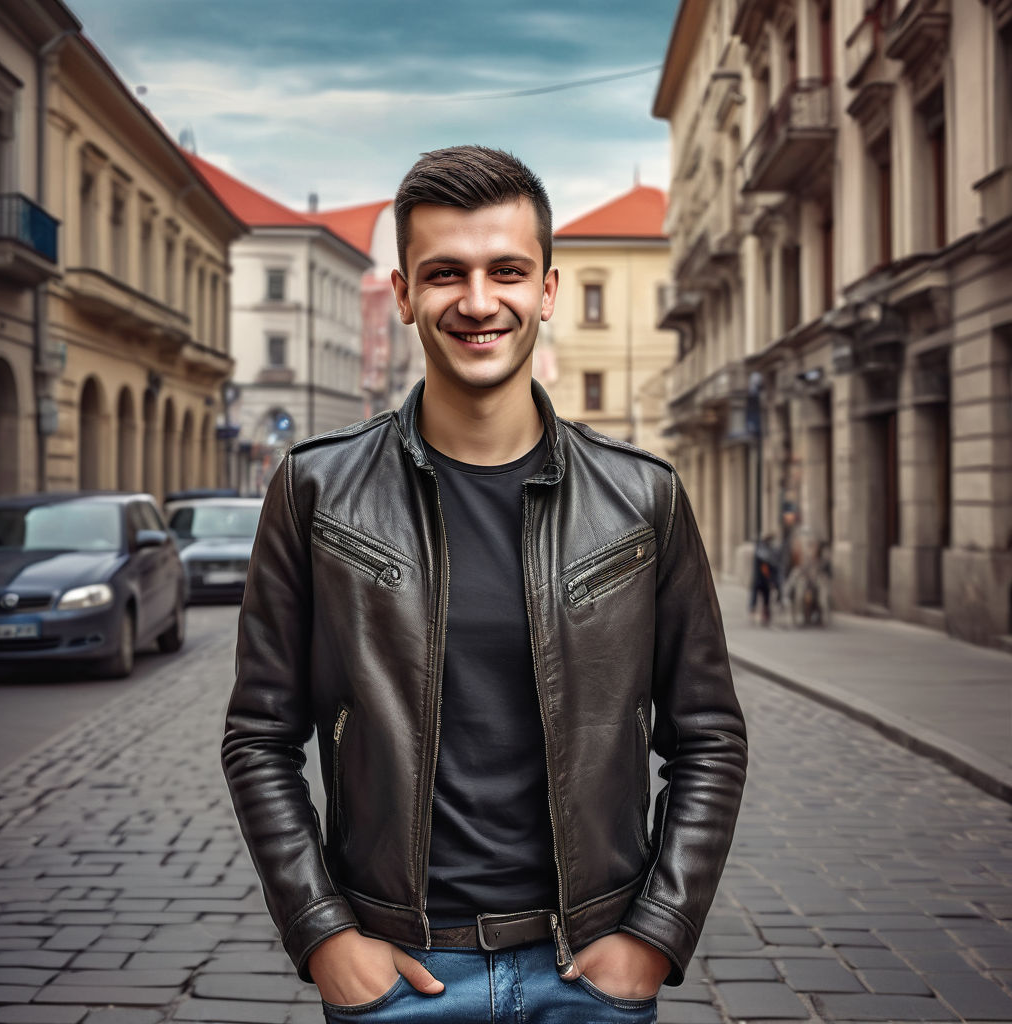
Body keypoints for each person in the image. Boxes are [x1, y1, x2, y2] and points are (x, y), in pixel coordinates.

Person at [222, 145, 747, 1023]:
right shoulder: (315, 490)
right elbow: (258, 736)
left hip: (589, 976)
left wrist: (658, 930)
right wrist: (323, 934)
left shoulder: (642, 497)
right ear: (402, 295)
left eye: (506, 270)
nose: (476, 300)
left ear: (545, 289)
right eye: (444, 273)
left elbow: (709, 738)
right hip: (399, 974)